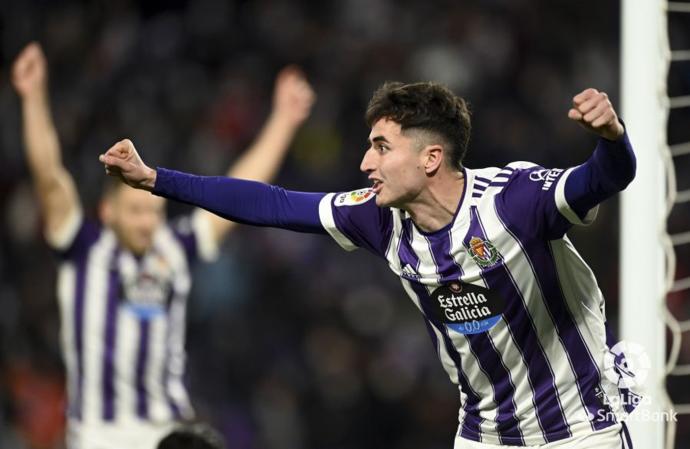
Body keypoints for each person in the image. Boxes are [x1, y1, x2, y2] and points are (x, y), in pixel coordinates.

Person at [100, 81, 637, 449]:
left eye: (381, 147)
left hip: (581, 427)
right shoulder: (378, 219)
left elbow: (604, 178)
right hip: (486, 434)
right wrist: (155, 179)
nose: (365, 163)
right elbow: (272, 204)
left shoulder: (514, 200)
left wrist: (611, 137)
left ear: (430, 159)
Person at [11, 41, 315, 449]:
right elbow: (49, 177)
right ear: (107, 212)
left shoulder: (175, 247)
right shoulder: (83, 248)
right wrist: (33, 97)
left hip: (167, 430)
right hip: (100, 435)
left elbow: (243, 192)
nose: (148, 221)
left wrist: (283, 120)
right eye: (135, 211)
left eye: (153, 211)